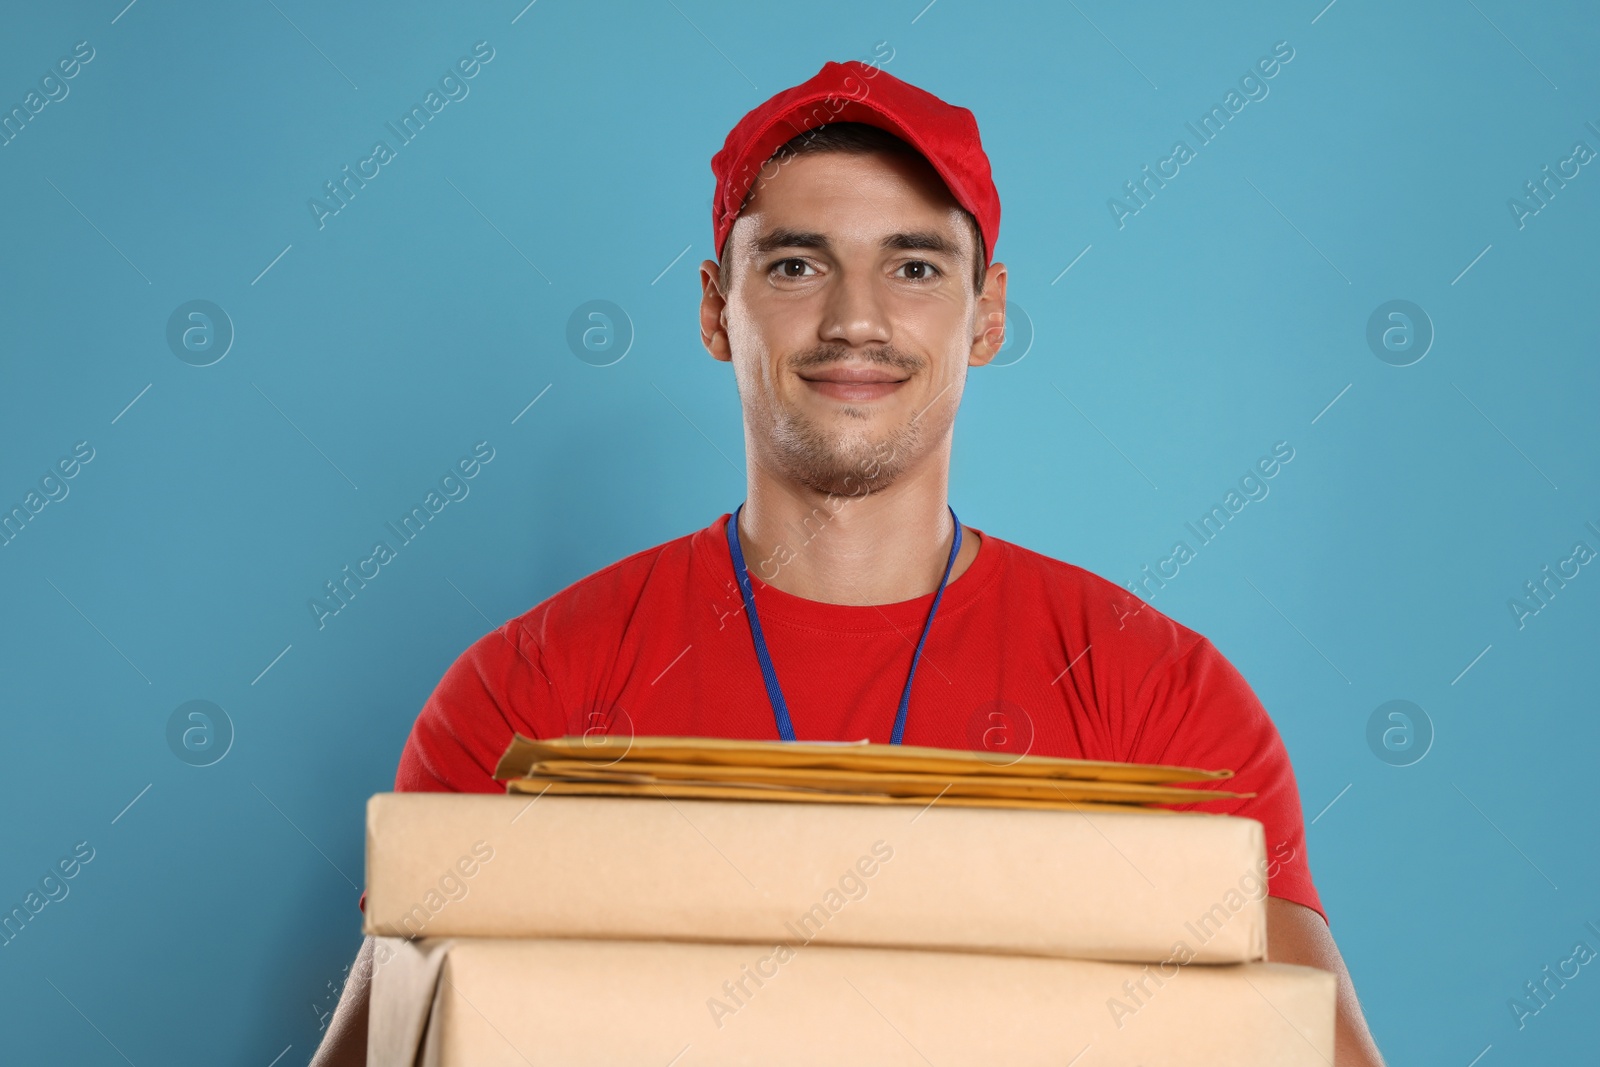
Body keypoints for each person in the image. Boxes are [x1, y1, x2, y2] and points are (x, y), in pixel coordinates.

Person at [311, 59, 1386, 1066]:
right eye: (794, 264)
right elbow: (412, 1024)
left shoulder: (1158, 701)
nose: (855, 319)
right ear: (712, 309)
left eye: (914, 266)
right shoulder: (523, 697)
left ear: (988, 314)